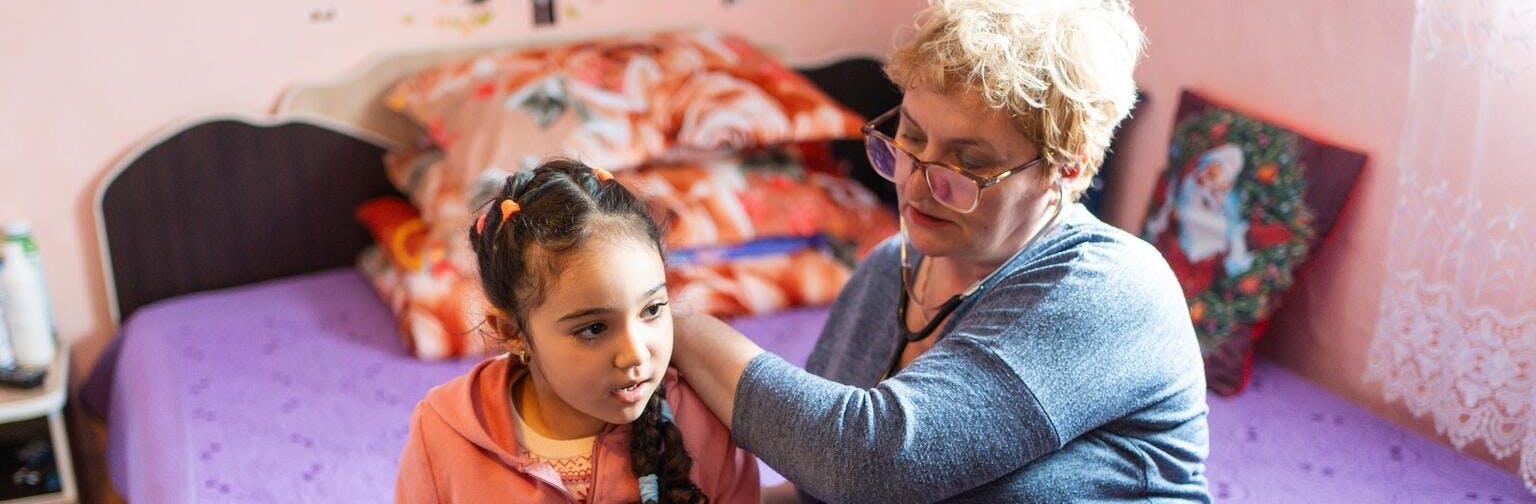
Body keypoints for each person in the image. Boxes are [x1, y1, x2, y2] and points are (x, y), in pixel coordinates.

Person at [669, 0, 1212, 501]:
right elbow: (822, 488)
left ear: (1067, 168)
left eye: (968, 163)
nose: (915, 183)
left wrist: (670, 320)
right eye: (910, 137)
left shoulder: (1110, 289)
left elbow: (868, 463)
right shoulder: (889, 268)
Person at [396, 161, 760, 503]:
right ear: (512, 331)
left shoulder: (704, 423)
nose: (636, 353)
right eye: (595, 328)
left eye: (651, 310)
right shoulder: (443, 433)